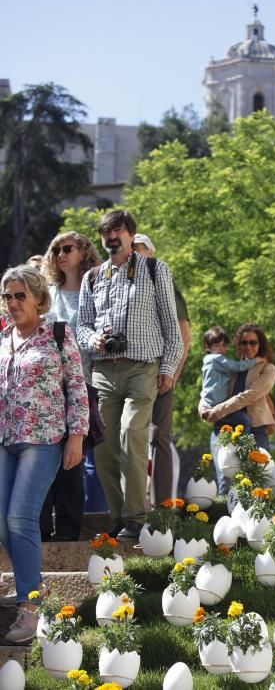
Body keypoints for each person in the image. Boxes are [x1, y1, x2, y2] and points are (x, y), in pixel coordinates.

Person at [77, 209, 183, 540]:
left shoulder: (155, 269)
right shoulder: (92, 277)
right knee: (104, 447)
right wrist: (91, 338)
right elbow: (81, 325)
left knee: (130, 433)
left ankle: (137, 516)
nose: (111, 238)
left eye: (118, 232)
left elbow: (172, 326)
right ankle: (118, 515)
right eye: (106, 233)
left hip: (142, 368)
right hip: (104, 372)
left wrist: (168, 368)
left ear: (131, 236)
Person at [0, 266, 88, 643]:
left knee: (21, 517)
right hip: (6, 439)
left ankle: (30, 607)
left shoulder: (57, 332)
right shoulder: (3, 338)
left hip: (44, 437)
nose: (13, 302)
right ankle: (34, 585)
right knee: (1, 521)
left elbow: (77, 386)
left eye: (20, 295)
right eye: (7, 296)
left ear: (38, 298)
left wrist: (77, 436)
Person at [39, 231, 103, 541]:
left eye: (67, 248)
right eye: (55, 250)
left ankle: (68, 532)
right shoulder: (47, 293)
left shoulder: (96, 288)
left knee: (75, 460)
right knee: (46, 458)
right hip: (48, 387)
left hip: (86, 383)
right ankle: (43, 528)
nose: (60, 255)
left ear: (83, 252)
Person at [132, 233, 191, 505]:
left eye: (140, 249)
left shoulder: (163, 282)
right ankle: (131, 509)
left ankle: (163, 509)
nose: (134, 253)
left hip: (160, 376)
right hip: (128, 378)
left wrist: (172, 375)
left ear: (151, 253)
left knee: (160, 440)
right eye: (131, 249)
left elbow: (183, 336)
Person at [202, 323, 275, 494]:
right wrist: (203, 408)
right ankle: (222, 520)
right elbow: (208, 388)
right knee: (225, 480)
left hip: (255, 430)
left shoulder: (268, 369)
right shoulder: (230, 367)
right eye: (244, 343)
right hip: (225, 428)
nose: (248, 346)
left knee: (257, 481)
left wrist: (218, 410)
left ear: (261, 344)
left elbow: (247, 396)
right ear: (238, 345)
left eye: (253, 342)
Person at [200, 325, 266, 434]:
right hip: (216, 404)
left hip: (212, 403)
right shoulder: (216, 359)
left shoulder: (209, 361)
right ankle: (242, 445)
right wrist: (256, 361)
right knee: (244, 421)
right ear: (207, 346)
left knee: (234, 424)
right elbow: (236, 366)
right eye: (217, 345)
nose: (221, 349)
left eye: (224, 345)